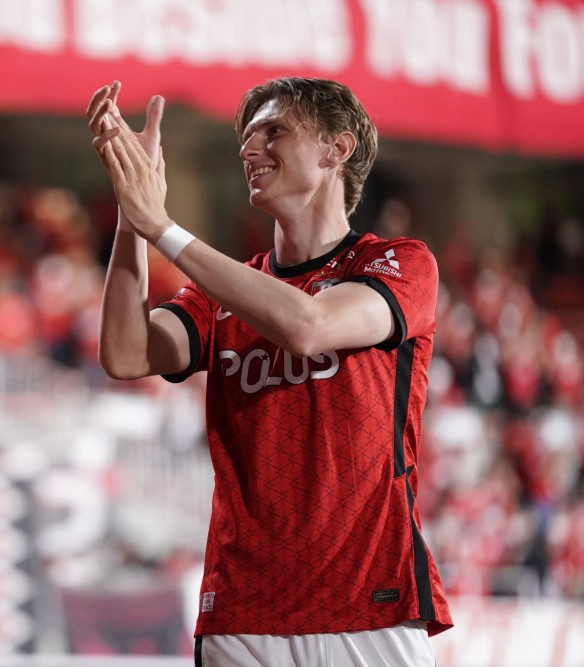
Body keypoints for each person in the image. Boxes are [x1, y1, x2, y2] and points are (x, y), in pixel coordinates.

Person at [86, 77, 453, 667]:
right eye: (247, 137)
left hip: (370, 603)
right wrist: (135, 215)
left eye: (274, 131)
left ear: (338, 148)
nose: (248, 149)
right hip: (242, 613)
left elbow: (309, 325)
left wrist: (163, 227)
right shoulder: (223, 292)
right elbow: (127, 353)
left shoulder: (399, 263)